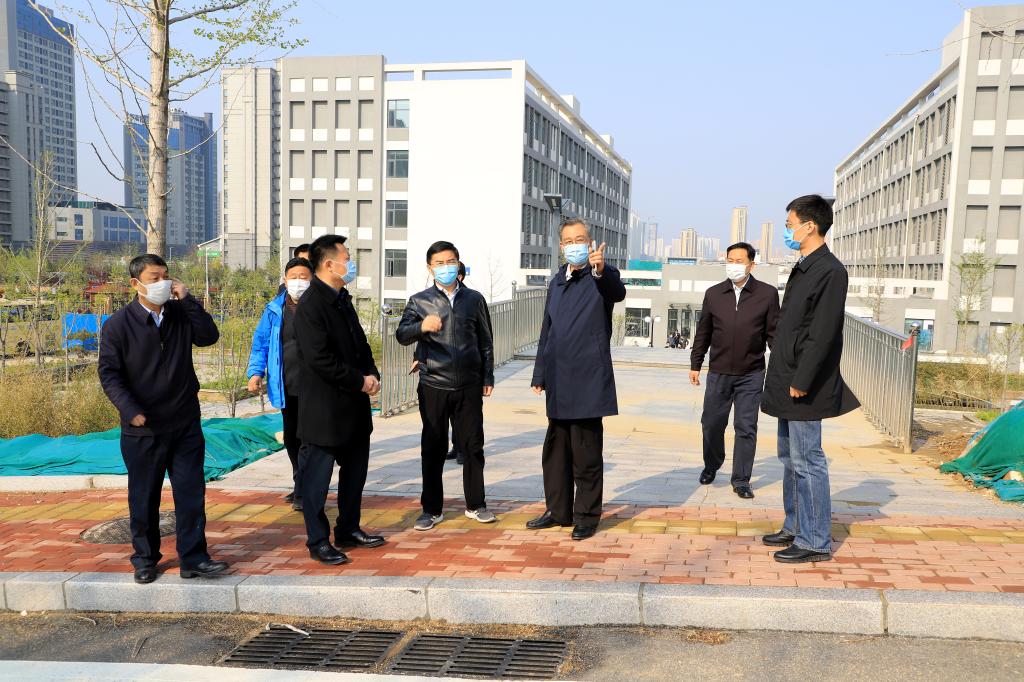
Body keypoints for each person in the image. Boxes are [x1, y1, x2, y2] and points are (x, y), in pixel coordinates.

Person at [97, 254, 228, 584]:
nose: (163, 283)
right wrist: (130, 411)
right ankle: (145, 559)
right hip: (144, 428)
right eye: (154, 278)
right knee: (144, 498)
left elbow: (209, 336)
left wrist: (190, 301)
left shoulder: (180, 315)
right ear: (136, 283)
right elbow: (109, 374)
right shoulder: (118, 325)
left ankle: (194, 558)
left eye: (166, 277)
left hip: (184, 423)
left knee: (191, 495)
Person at [761, 195, 860, 564]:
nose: (787, 231)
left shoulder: (830, 271)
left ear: (810, 226)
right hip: (788, 375)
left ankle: (815, 540)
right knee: (789, 458)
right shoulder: (805, 266)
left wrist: (803, 378)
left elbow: (823, 333)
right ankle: (795, 525)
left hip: (805, 382)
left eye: (790, 225)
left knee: (808, 460)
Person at [527, 218, 626, 541]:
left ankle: (586, 515)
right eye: (569, 241)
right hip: (558, 378)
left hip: (588, 378)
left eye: (580, 239)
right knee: (555, 453)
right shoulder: (557, 281)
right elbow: (547, 330)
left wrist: (600, 270)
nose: (575, 246)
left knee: (586, 454)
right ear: (561, 246)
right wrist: (540, 372)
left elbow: (617, 292)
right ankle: (558, 511)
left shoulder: (601, 276)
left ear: (590, 242)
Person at [293, 235, 385, 565]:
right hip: (325, 410)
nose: (351, 262)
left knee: (354, 474)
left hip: (353, 408)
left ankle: (348, 528)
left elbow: (359, 344)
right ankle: (318, 540)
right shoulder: (311, 305)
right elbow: (320, 360)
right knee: (317, 482)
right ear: (330, 264)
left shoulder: (341, 298)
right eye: (347, 257)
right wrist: (359, 381)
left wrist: (371, 373)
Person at [397, 244, 496, 531]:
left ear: (458, 263)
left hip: (468, 385)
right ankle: (431, 509)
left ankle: (476, 504)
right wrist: (421, 327)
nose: (445, 267)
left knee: (473, 446)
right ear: (430, 268)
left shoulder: (474, 299)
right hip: (434, 384)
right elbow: (401, 334)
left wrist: (487, 377)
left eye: (450, 261)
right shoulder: (419, 301)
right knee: (433, 447)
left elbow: (485, 341)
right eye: (439, 263)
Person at [689, 242, 780, 499]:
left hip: (751, 374)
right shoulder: (714, 294)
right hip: (718, 372)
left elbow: (774, 334)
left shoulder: (767, 294)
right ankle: (712, 464)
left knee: (746, 427)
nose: (734, 265)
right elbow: (704, 331)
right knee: (711, 423)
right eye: (730, 260)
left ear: (751, 265)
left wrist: (781, 369)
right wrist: (696, 364)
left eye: (740, 261)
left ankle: (741, 479)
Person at [247, 256, 314, 511]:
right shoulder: (274, 309)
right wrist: (255, 373)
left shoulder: (320, 307)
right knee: (292, 437)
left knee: (309, 438)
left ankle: (305, 489)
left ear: (312, 280)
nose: (298, 282)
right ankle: (300, 482)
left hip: (315, 385)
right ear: (285, 280)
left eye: (303, 277)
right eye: (293, 277)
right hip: (286, 384)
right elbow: (261, 343)